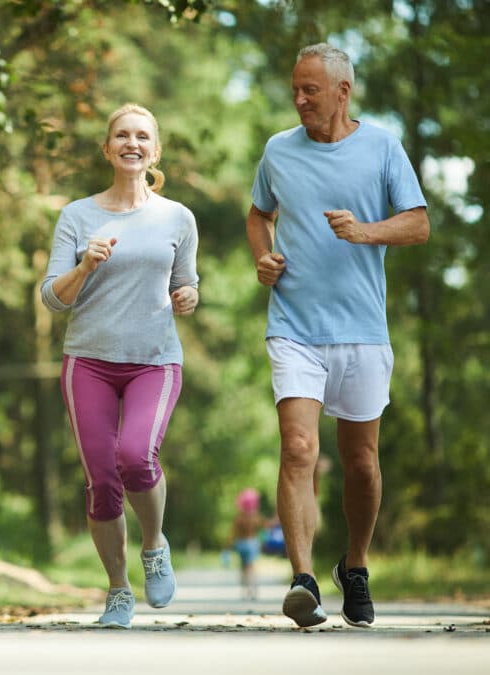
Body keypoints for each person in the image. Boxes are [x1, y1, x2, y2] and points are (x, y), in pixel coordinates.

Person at [246, 43, 429, 628]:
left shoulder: (382, 147)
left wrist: (366, 230)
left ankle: (355, 564)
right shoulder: (278, 150)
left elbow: (419, 224)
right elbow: (258, 215)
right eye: (295, 89)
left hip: (362, 330)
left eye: (310, 90)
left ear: (343, 92)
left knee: (362, 463)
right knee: (298, 448)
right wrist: (264, 258)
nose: (298, 99)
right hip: (294, 325)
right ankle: (302, 580)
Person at [41, 103, 199, 629]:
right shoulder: (77, 216)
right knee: (102, 480)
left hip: (154, 362)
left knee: (136, 456)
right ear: (107, 148)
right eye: (122, 135)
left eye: (142, 137)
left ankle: (154, 545)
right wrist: (85, 264)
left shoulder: (177, 217)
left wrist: (188, 297)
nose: (132, 143)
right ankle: (117, 590)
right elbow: (51, 298)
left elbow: (185, 281)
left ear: (154, 151)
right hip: (87, 361)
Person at [225, 488, 274, 600]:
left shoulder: (239, 518)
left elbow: (232, 534)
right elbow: (267, 525)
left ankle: (245, 589)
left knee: (243, 567)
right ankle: (253, 588)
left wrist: (227, 547)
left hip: (241, 544)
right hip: (252, 543)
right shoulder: (255, 517)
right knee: (251, 567)